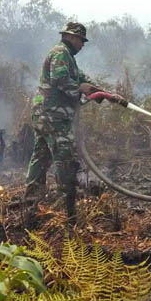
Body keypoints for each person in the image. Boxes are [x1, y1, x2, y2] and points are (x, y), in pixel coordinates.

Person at [25, 22, 122, 219]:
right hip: (53, 116)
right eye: (81, 40)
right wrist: (80, 89)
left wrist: (106, 94)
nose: (82, 45)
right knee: (64, 157)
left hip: (45, 115)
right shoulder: (61, 53)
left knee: (41, 156)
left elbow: (82, 81)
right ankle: (67, 210)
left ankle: (31, 205)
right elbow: (61, 80)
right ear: (71, 37)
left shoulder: (67, 57)